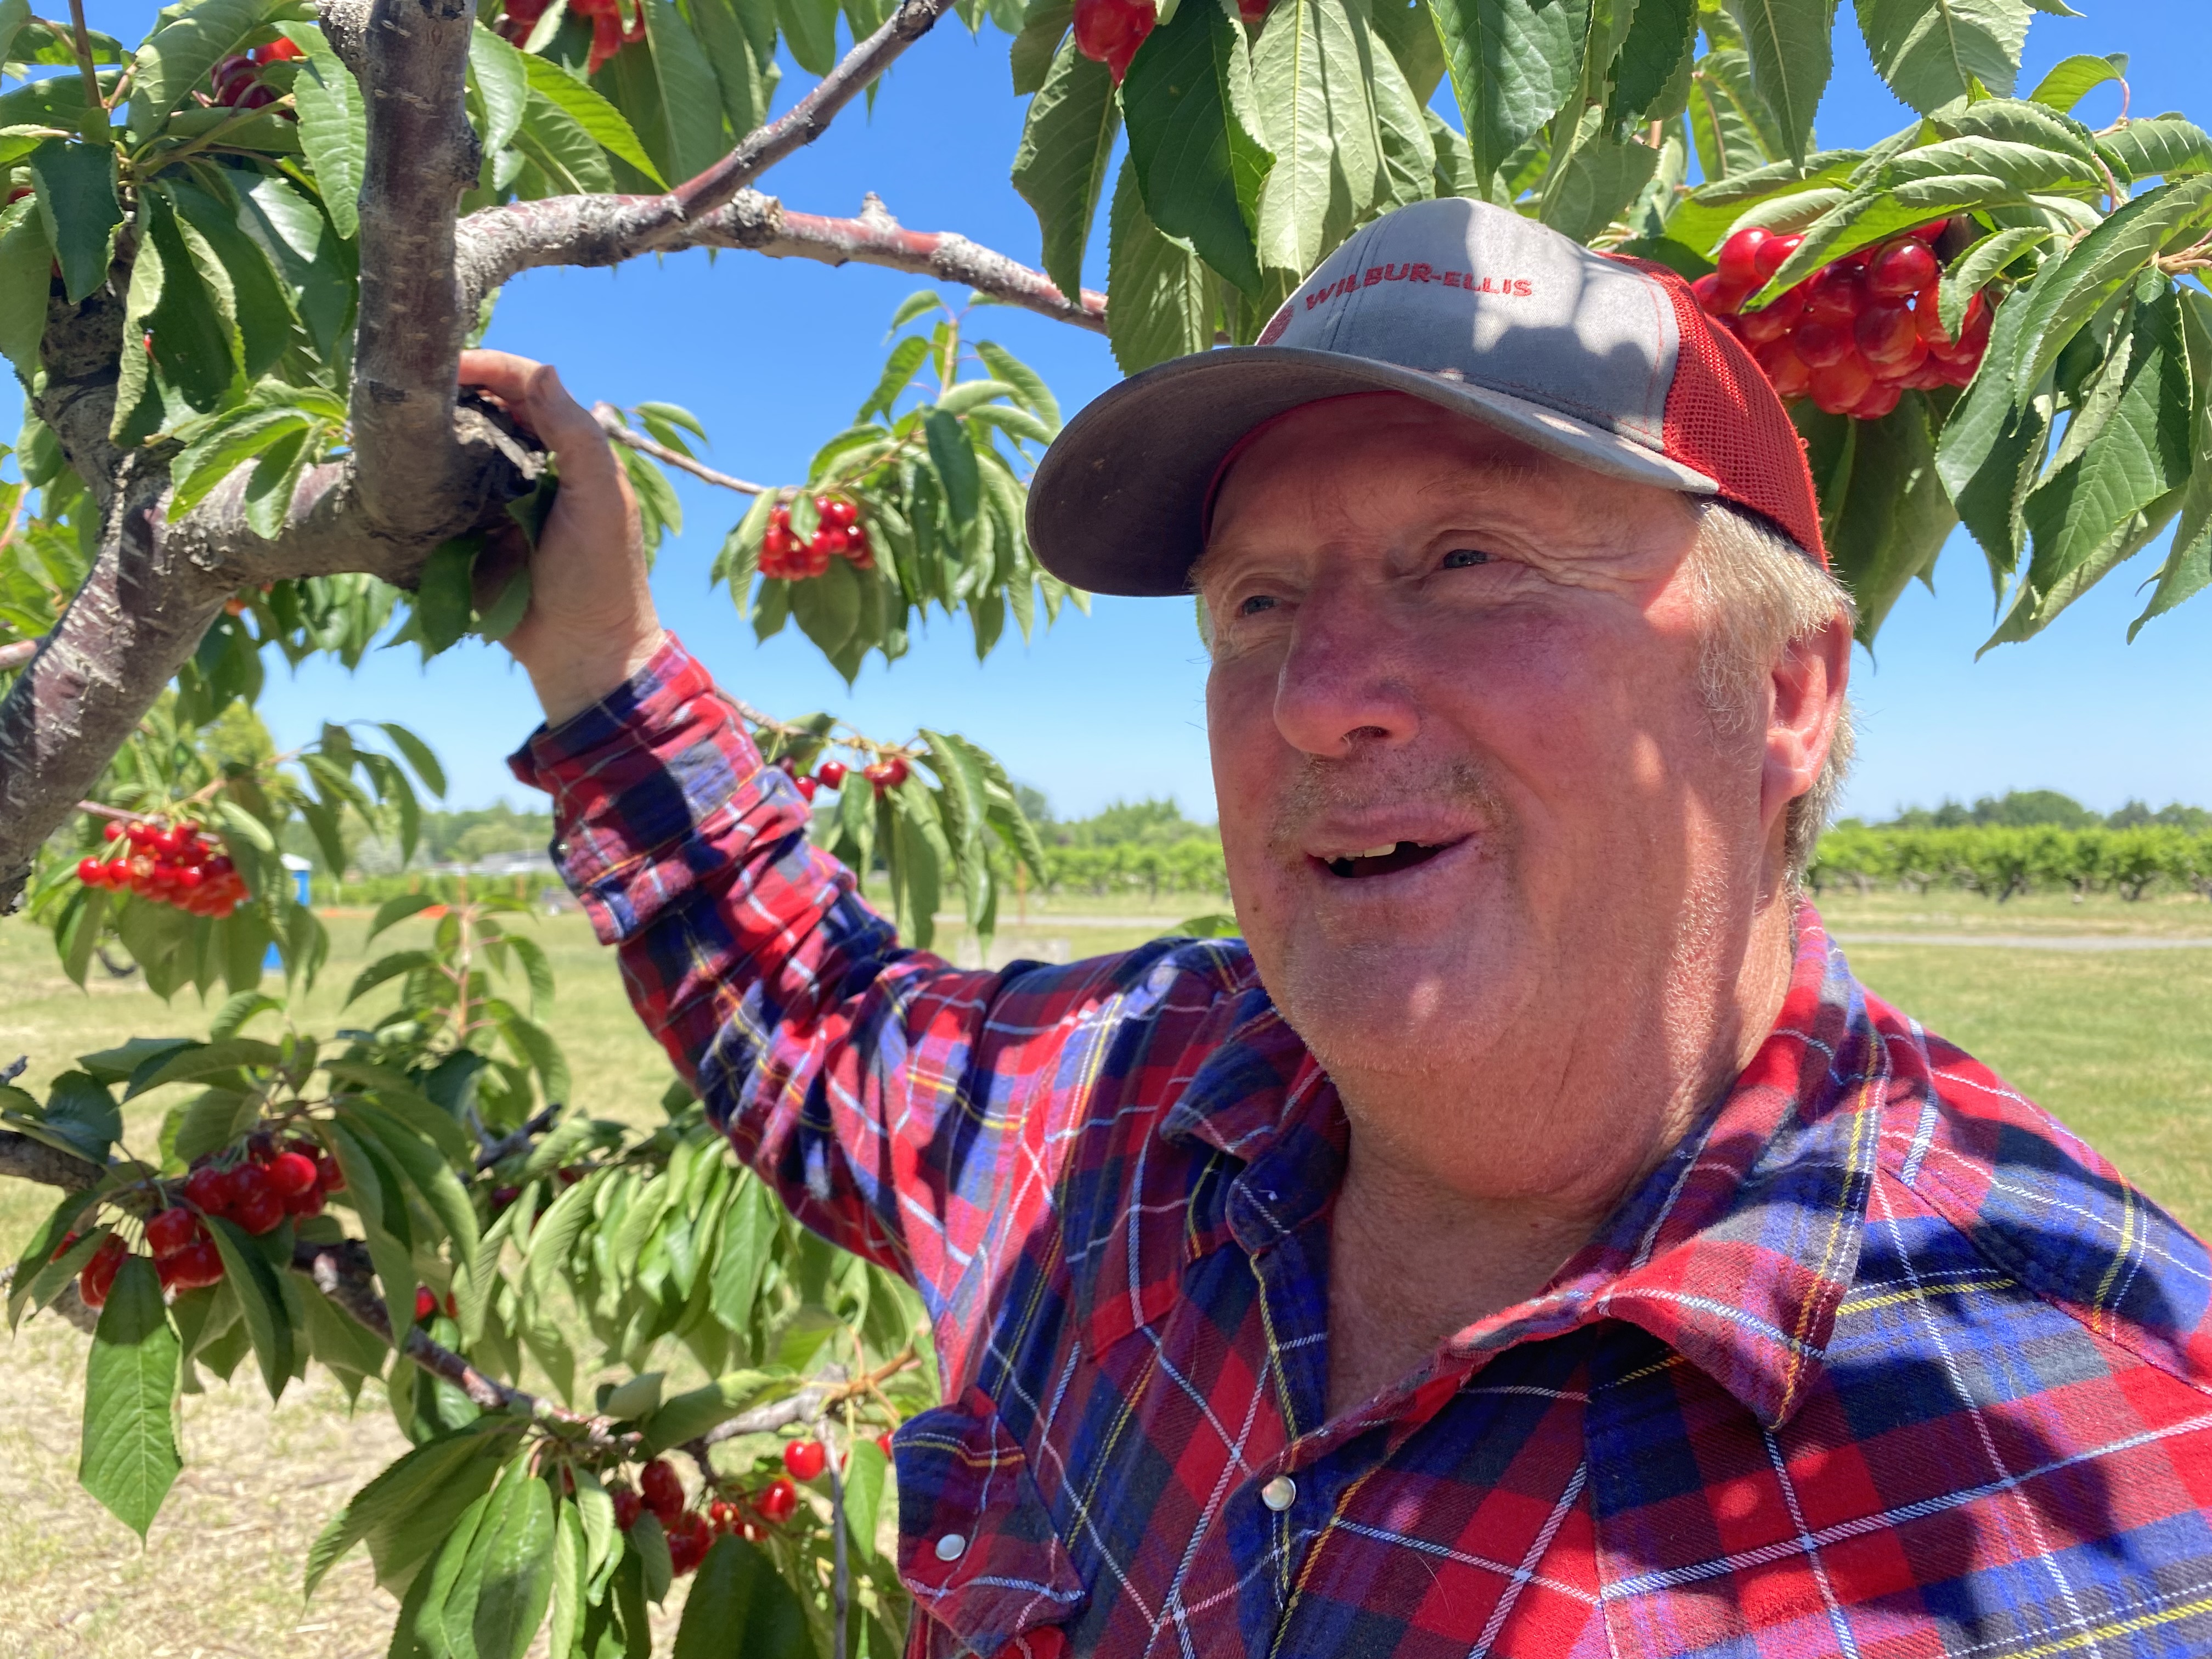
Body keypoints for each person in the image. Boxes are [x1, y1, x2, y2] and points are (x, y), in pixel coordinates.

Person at [471, 198, 2212, 1659]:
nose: (1319, 699)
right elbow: (814, 1021)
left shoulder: (2108, 1477)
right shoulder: (1125, 1106)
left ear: (1783, 694)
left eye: (1473, 560)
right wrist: (600, 656)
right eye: (1259, 603)